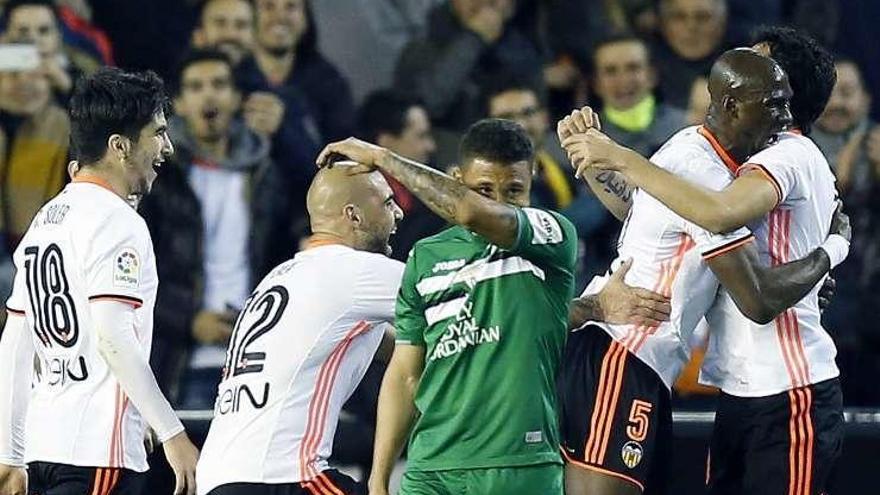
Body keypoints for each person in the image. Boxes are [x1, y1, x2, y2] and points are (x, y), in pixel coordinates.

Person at [315, 120, 672, 495]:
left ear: (532, 180)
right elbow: (406, 373)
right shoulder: (425, 257)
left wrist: (383, 158)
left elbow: (474, 214)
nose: (497, 202)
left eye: (513, 190)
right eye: (483, 189)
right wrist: (379, 476)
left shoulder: (551, 235)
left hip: (519, 467)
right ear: (456, 179)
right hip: (430, 469)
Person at [564, 28, 847, 495]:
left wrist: (604, 164)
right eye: (771, 101)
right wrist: (832, 250)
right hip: (625, 355)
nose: (781, 117)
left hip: (656, 366)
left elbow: (649, 215)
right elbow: (749, 283)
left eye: (783, 100)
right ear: (733, 103)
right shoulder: (707, 175)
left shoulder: (706, 154)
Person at [0, 67, 199, 495]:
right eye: (158, 133)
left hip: (44, 447)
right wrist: (172, 433)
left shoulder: (46, 221)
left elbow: (15, 346)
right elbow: (112, 337)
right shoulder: (118, 223)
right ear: (120, 147)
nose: (166, 147)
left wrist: (11, 454)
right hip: (97, 454)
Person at [196, 164, 405, 495]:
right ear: (354, 216)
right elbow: (465, 296)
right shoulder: (354, 271)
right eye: (388, 202)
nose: (399, 213)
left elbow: (402, 348)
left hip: (218, 478)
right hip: (282, 475)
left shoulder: (283, 276)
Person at [140, 49, 291, 405]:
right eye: (196, 87)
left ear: (237, 98)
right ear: (179, 101)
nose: (208, 95)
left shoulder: (265, 174)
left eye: (219, 84)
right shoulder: (158, 179)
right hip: (179, 360)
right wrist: (189, 321)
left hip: (257, 357)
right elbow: (134, 272)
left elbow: (284, 255)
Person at [394, 0, 544, 163]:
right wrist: (473, 40)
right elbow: (429, 103)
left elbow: (540, 106)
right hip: (450, 162)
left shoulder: (522, 45)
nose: (486, 6)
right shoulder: (422, 49)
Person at [0, 43, 70, 321]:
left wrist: (70, 91)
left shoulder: (67, 129)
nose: (25, 83)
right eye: (13, 73)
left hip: (46, 272)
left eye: (38, 73)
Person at [357, 89, 442, 260]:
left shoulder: (435, 186)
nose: (431, 146)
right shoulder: (355, 197)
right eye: (421, 136)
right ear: (386, 142)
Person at [591, 33, 686, 157]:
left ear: (652, 76)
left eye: (633, 68)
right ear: (596, 83)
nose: (623, 80)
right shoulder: (586, 144)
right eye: (610, 71)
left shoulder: (686, 129)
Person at [2, 0, 102, 99]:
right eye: (23, 31)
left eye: (44, 31)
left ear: (58, 36)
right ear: (6, 36)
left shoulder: (83, 71)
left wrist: (68, 85)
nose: (34, 39)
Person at [812, 59, 879, 196]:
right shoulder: (793, 144)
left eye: (846, 93)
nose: (835, 103)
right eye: (827, 93)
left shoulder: (875, 138)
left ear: (866, 99)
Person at [653, 0, 730, 109]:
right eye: (679, 17)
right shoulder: (642, 68)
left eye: (702, 17)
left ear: (722, 23)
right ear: (663, 25)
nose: (691, 27)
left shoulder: (743, 67)